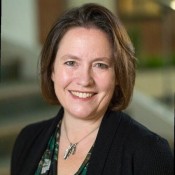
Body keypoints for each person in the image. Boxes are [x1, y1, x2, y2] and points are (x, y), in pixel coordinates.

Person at [11, 3, 173, 175]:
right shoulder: (27, 140)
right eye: (71, 63)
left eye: (100, 65)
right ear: (52, 70)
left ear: (118, 74)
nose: (84, 80)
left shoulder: (149, 153)